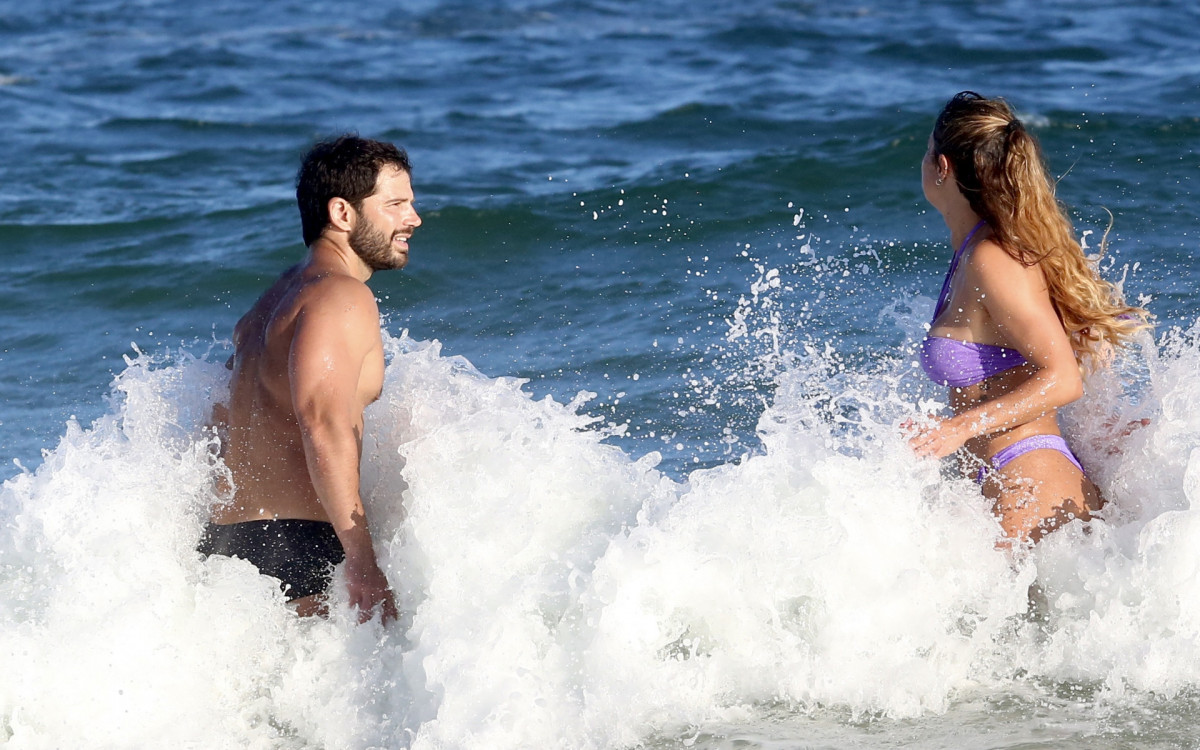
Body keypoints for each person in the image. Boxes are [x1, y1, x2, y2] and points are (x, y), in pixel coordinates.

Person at [906, 91, 1147, 544]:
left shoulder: (993, 260)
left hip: (1030, 480)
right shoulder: (972, 252)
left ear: (942, 167)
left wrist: (960, 427)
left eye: (925, 151)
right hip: (1006, 480)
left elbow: (1064, 379)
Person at [200, 135, 421, 621]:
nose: (414, 218)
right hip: (297, 547)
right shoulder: (340, 295)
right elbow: (322, 422)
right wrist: (362, 560)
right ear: (342, 213)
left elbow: (219, 415)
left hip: (225, 541)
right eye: (396, 204)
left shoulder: (274, 300)